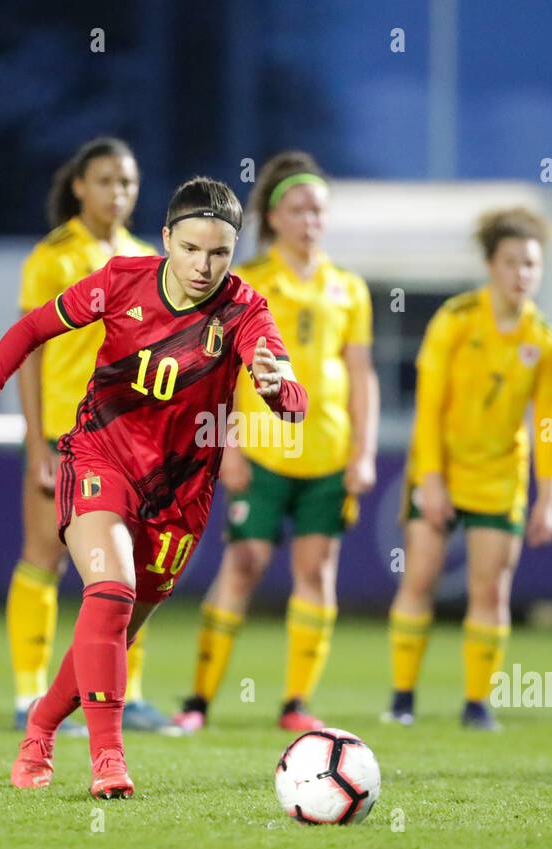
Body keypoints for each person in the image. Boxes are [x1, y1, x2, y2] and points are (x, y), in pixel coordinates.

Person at [0, 177, 307, 798]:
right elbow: (28, 331)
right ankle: (108, 760)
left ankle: (40, 726)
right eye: (191, 248)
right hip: (99, 456)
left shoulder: (245, 308)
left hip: (181, 492)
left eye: (219, 252)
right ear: (166, 239)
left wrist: (278, 388)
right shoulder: (119, 281)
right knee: (109, 589)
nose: (204, 265)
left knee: (114, 628)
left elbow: (292, 399)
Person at [171, 152, 378, 733]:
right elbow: (219, 370)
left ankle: (295, 704)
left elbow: (361, 375)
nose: (311, 218)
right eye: (298, 208)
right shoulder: (248, 283)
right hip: (260, 447)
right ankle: (198, 701)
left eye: (318, 208)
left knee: (316, 571)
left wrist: (362, 452)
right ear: (273, 216)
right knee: (245, 561)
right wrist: (227, 446)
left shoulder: (349, 290)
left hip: (328, 453)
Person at [7, 137, 167, 734]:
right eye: (105, 181)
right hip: (64, 435)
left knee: (134, 567)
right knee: (43, 558)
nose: (117, 193)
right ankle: (28, 694)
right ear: (79, 186)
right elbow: (29, 352)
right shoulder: (51, 258)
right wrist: (34, 444)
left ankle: (131, 692)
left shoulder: (149, 257)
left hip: (131, 437)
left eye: (126, 182)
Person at [384, 208, 552, 730]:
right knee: (419, 578)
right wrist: (433, 481)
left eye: (531, 264)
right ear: (491, 266)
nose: (522, 274)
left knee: (491, 591)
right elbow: (429, 407)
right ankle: (401, 700)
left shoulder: (547, 342)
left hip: (500, 477)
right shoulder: (456, 320)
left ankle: (476, 705)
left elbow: (549, 426)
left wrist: (548, 500)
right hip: (441, 469)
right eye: (511, 262)